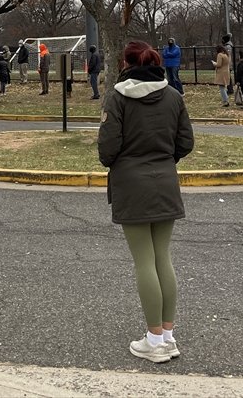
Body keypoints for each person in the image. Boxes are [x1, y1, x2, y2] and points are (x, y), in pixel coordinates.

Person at [97, 41, 194, 364]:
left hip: (131, 183)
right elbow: (185, 142)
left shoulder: (117, 97)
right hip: (165, 179)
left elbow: (107, 148)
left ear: (126, 64)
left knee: (144, 261)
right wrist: (165, 159)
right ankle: (167, 335)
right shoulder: (173, 96)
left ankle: (153, 340)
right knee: (163, 257)